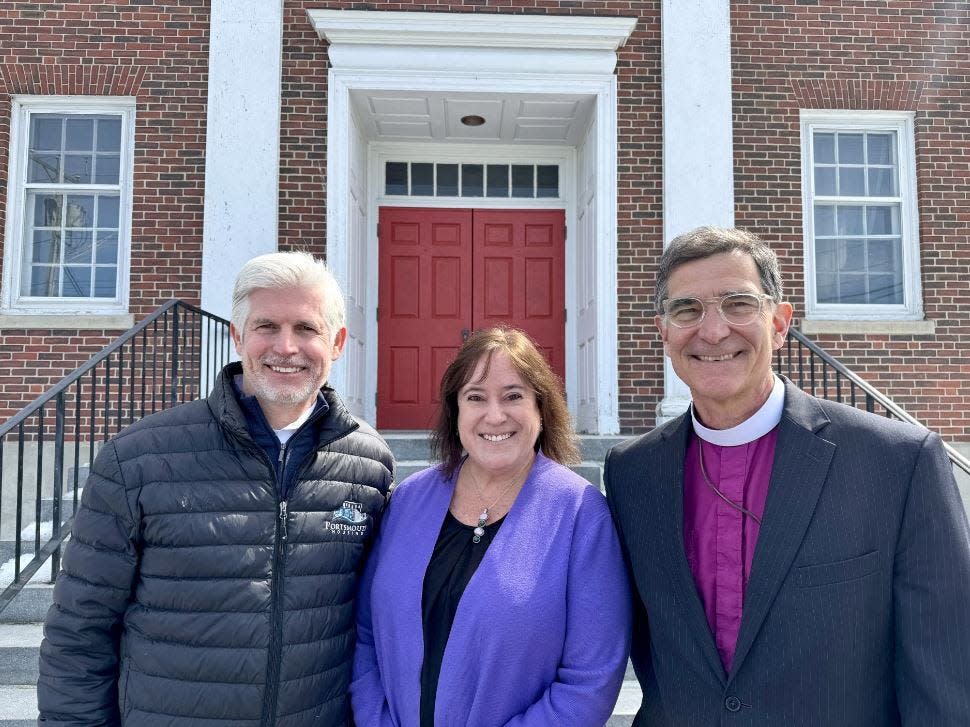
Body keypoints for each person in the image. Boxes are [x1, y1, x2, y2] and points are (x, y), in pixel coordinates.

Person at [605, 226, 970, 726]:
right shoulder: (632, 474)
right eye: (687, 309)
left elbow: (947, 682)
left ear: (779, 324)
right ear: (663, 331)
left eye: (738, 304)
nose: (712, 331)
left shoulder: (896, 464)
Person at [37, 251, 395, 726]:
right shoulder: (139, 460)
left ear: (337, 343)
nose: (286, 347)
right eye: (267, 326)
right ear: (236, 335)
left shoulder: (368, 466)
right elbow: (79, 631)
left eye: (307, 329)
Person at [351, 326, 631, 727]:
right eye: (475, 398)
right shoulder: (408, 501)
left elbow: (588, 682)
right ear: (456, 411)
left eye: (514, 396)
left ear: (541, 408)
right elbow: (365, 635)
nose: (494, 415)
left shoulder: (581, 515)